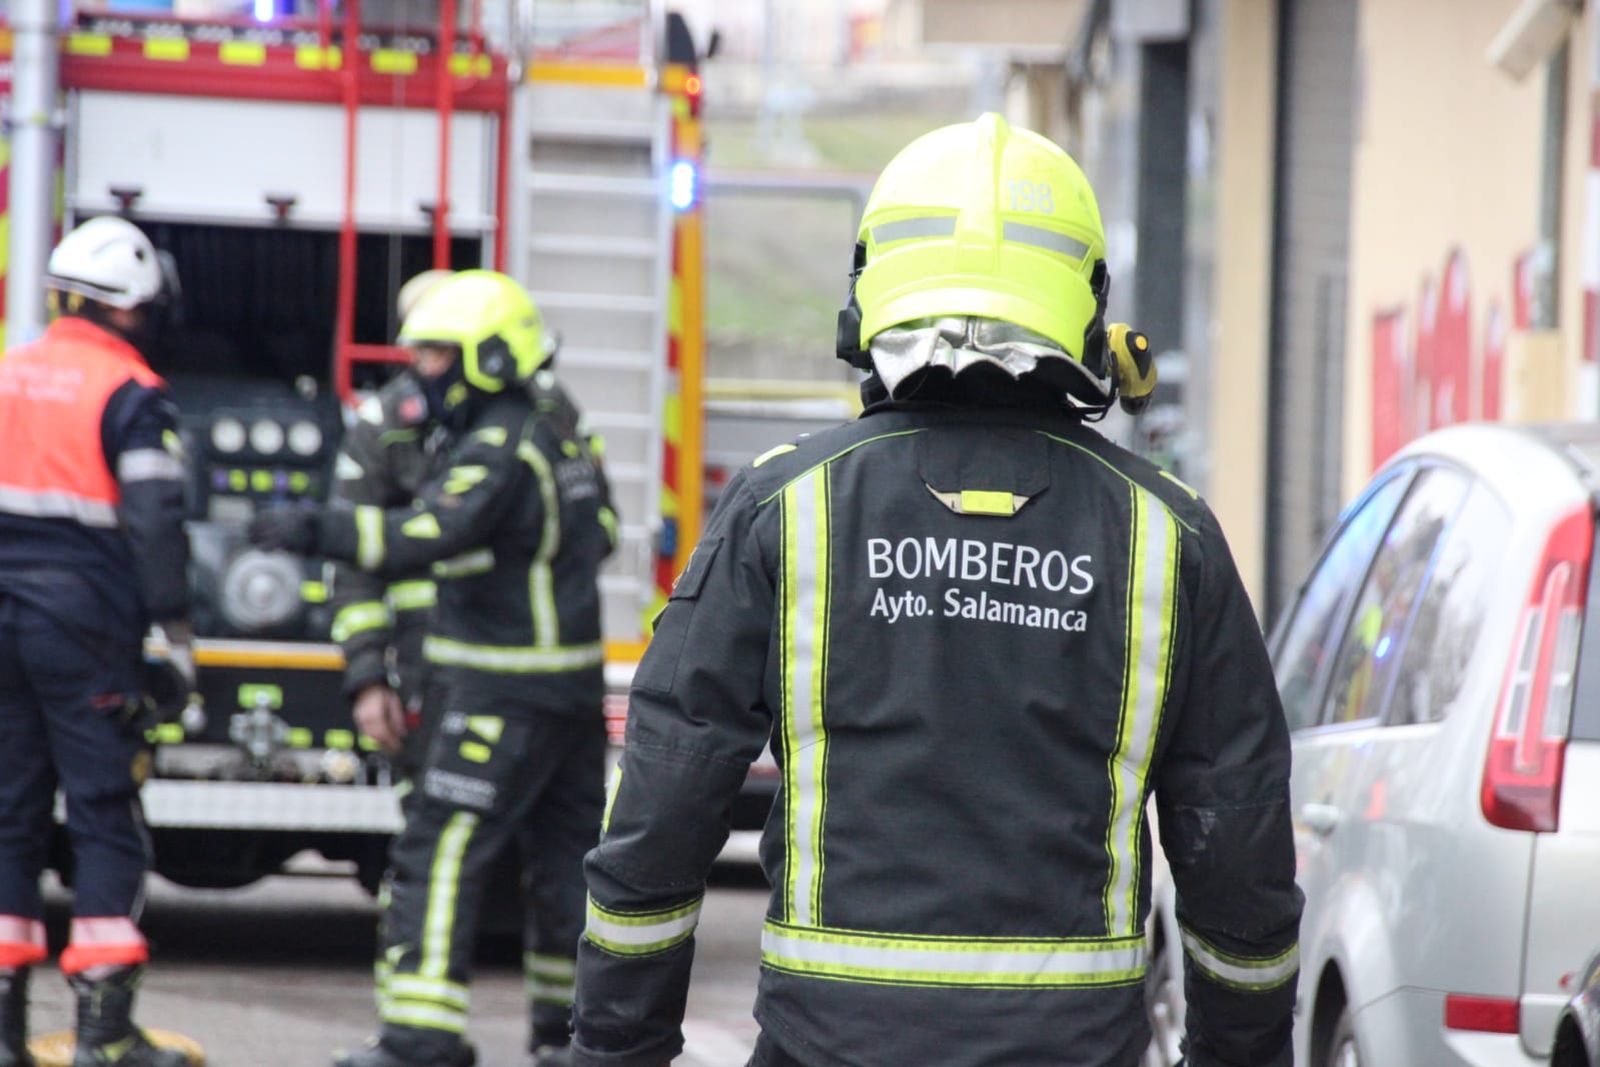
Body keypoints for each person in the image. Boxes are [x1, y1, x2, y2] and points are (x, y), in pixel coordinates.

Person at [564, 114, 1303, 1067]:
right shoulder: (1170, 535)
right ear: (1086, 301)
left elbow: (662, 812)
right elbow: (1236, 853)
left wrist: (613, 1052)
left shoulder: (783, 509)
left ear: (872, 288)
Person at [248, 270, 613, 1067]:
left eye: (440, 355)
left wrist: (314, 528)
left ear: (487, 356)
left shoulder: (498, 442)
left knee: (439, 849)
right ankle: (572, 1039)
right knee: (565, 870)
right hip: (565, 692)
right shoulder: (558, 427)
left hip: (496, 685)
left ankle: (420, 1037)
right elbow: (603, 528)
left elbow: (431, 532)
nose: (424, 372)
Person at [0, 216, 194, 1067]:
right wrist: (177, 638)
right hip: (83, 629)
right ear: (133, 308)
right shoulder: (131, 392)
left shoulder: (9, 372)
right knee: (105, 815)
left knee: (6, 814)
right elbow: (155, 525)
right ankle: (104, 1036)